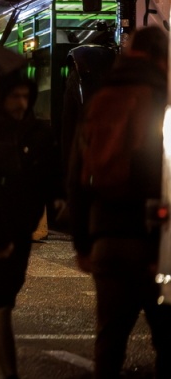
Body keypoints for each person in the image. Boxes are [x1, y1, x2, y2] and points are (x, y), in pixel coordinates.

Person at [68, 25, 171, 378]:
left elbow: (77, 179)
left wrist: (83, 242)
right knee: (167, 341)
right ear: (163, 57)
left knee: (110, 340)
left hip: (108, 239)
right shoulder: (162, 97)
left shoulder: (101, 99)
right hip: (158, 243)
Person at [0, 73, 55, 379]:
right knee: (0, 303)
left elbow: (42, 177)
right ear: (0, 97)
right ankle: (10, 375)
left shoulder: (32, 132)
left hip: (19, 231)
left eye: (25, 96)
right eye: (14, 96)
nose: (21, 103)